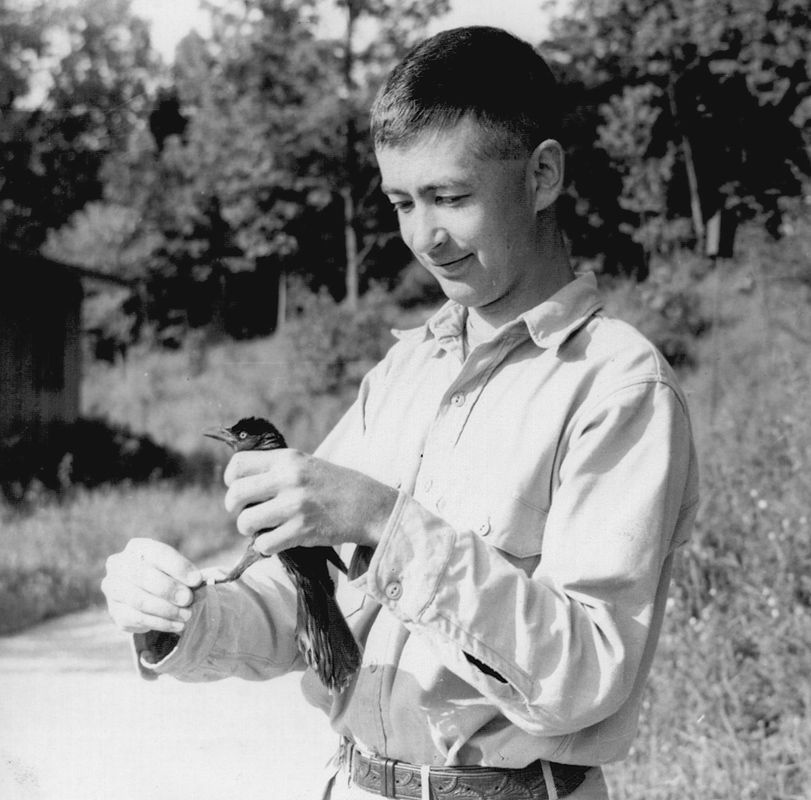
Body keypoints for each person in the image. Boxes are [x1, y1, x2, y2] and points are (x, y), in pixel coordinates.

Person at [102, 26, 699, 800]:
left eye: (450, 197)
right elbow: (306, 607)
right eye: (400, 202)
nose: (424, 236)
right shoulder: (404, 370)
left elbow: (582, 674)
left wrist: (386, 519)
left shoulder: (617, 388)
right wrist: (179, 615)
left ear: (543, 174)